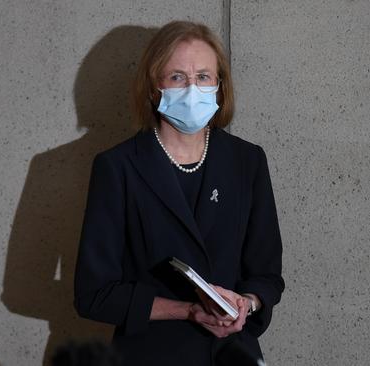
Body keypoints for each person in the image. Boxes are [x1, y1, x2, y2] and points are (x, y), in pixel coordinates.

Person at [74, 21, 284, 365]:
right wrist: (187, 311)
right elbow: (93, 294)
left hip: (231, 354)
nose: (192, 88)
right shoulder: (118, 166)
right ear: (154, 86)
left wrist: (246, 303)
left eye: (203, 77)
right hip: (148, 354)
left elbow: (267, 276)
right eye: (177, 77)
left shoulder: (248, 161)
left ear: (219, 86)